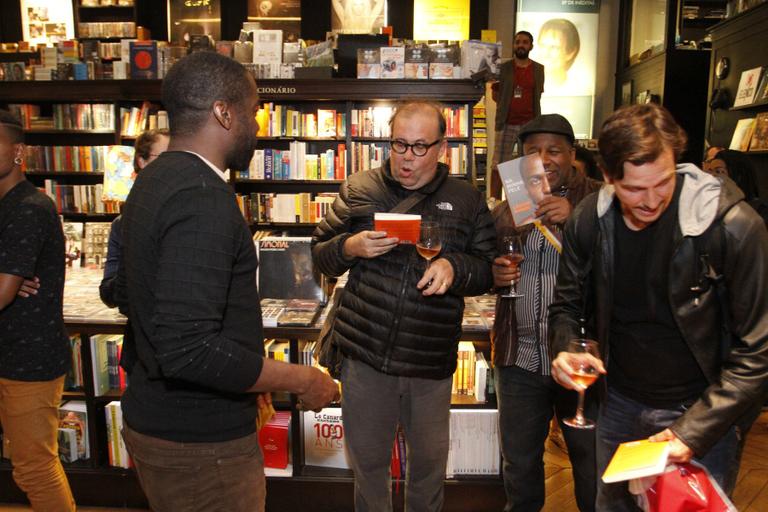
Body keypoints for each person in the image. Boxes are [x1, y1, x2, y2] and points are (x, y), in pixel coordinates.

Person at [115, 51, 339, 512]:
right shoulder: (202, 198)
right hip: (200, 445)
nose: (259, 125)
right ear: (224, 112)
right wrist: (300, 378)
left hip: (159, 420)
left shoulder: (153, 179)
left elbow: (130, 294)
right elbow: (188, 347)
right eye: (254, 111)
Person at [549, 104, 768, 510]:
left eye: (663, 182)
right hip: (617, 404)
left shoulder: (732, 226)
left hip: (700, 411)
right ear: (609, 177)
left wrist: (693, 431)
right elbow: (566, 305)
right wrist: (565, 349)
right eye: (633, 189)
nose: (651, 201)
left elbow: (758, 351)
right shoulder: (590, 220)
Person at [312, 100, 496, 512]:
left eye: (419, 147)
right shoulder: (360, 187)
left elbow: (488, 270)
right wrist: (350, 246)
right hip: (365, 357)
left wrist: (455, 266)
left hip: (429, 361)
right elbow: (320, 253)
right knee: (369, 468)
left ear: (442, 147)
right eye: (399, 144)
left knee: (428, 470)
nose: (407, 158)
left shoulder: (465, 200)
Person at [491, 114, 600, 512]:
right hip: (519, 357)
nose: (543, 159)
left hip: (579, 358)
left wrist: (576, 221)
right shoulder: (510, 205)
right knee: (518, 465)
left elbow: (623, 265)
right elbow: (489, 260)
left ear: (572, 154)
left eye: (554, 150)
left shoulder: (598, 201)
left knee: (591, 464)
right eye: (533, 151)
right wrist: (495, 273)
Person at [0, 109, 76, 511]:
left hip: (28, 358)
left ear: (18, 152)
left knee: (34, 467)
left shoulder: (29, 206)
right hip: (10, 353)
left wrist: (7, 280)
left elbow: (3, 292)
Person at [99, 128, 169, 374]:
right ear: (141, 160)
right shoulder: (124, 224)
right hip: (141, 350)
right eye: (163, 157)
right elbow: (108, 292)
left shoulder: (184, 216)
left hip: (183, 349)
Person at [490, 30, 545, 199]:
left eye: (525, 42)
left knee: (527, 166)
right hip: (506, 122)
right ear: (514, 45)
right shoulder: (504, 68)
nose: (521, 45)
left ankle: (524, 205)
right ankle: (494, 201)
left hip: (529, 125)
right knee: (498, 165)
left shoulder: (538, 69)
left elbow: (538, 93)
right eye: (518, 42)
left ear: (531, 46)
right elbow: (495, 94)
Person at [709, 149, 768, 225]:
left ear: (739, 176)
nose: (712, 176)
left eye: (719, 171)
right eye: (710, 171)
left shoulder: (761, 212)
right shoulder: (712, 209)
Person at [537, 18, 580, 90]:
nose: (545, 53)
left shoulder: (579, 89)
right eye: (542, 46)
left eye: (554, 47)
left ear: (571, 52)